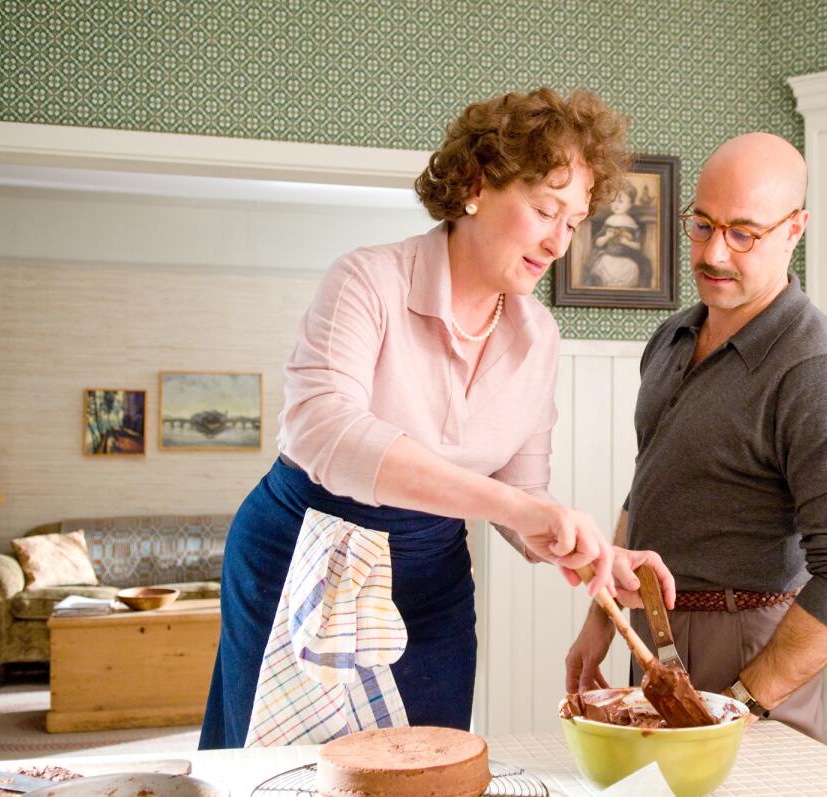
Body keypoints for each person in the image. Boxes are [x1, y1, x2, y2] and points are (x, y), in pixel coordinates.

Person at [200, 88, 672, 749]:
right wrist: (511, 505)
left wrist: (594, 553)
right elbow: (324, 429)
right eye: (545, 209)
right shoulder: (368, 280)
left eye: (574, 222)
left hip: (428, 581)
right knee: (284, 776)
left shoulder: (538, 335)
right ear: (477, 184)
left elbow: (525, 495)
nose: (558, 241)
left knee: (431, 767)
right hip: (303, 556)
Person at [565, 133, 827, 740]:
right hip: (656, 630)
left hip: (753, 639)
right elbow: (649, 490)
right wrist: (603, 618)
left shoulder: (817, 369)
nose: (714, 252)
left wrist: (743, 700)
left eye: (744, 232)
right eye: (702, 224)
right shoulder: (672, 337)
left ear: (795, 229)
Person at [583, 182, 650, 288]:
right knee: (598, 265)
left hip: (627, 259)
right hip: (607, 256)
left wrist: (626, 242)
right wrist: (606, 237)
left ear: (630, 204)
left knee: (634, 268)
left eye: (620, 201)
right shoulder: (609, 221)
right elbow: (597, 243)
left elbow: (638, 246)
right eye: (613, 201)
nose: (616, 205)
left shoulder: (632, 224)